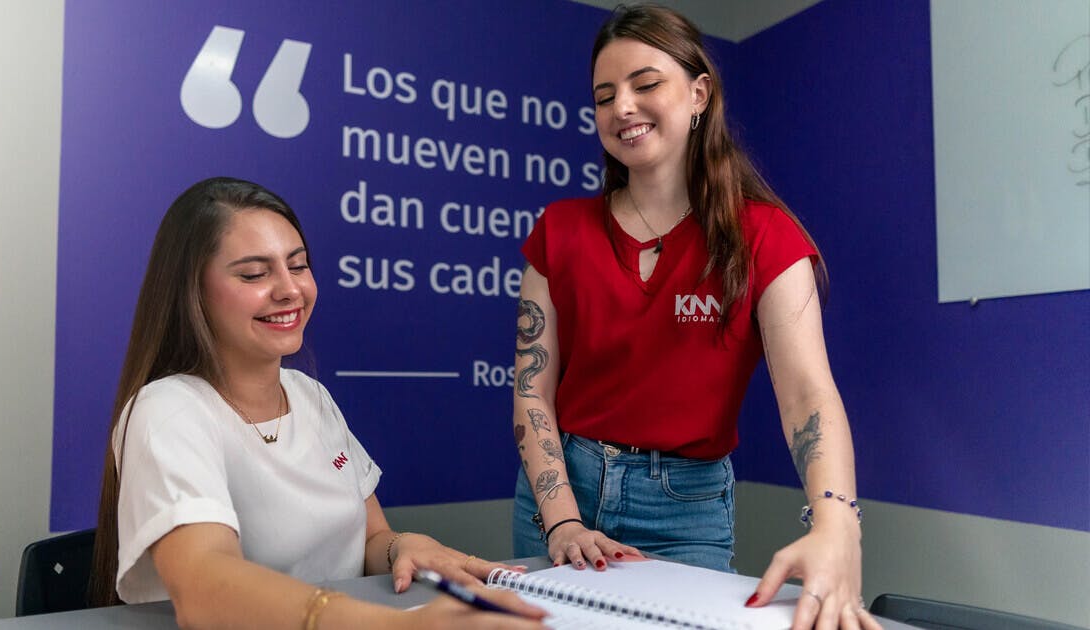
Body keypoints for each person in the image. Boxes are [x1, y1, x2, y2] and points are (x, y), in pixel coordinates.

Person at [511, 5, 881, 630]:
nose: (622, 106)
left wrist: (837, 520)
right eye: (605, 95)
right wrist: (563, 518)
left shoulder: (765, 236)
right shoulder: (559, 231)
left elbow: (807, 393)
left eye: (645, 83)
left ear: (699, 93)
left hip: (685, 509)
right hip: (558, 494)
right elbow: (531, 391)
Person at [87, 177, 545, 629]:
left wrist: (399, 546)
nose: (290, 290)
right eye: (254, 274)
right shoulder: (167, 410)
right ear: (193, 292)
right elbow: (204, 589)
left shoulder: (310, 397)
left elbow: (370, 536)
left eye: (299, 265)